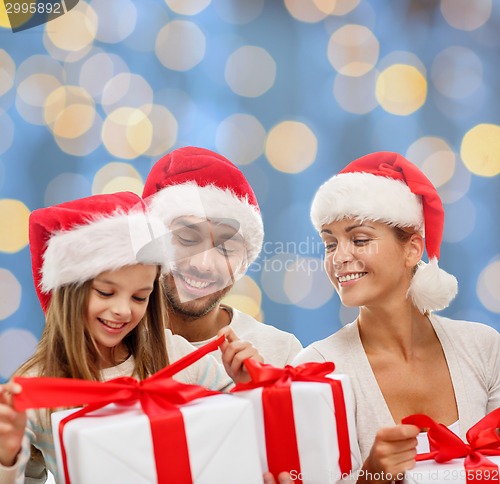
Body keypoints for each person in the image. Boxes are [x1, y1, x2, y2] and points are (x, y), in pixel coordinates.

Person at [0, 191, 260, 483]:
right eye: (105, 293)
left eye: (139, 297)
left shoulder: (176, 356)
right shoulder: (37, 389)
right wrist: (6, 457)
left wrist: (248, 387)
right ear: (69, 292)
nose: (123, 310)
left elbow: (242, 437)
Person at [292, 151, 500, 482]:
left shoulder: (483, 347)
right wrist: (371, 477)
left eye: (358, 239)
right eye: (330, 244)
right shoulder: (317, 370)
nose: (340, 257)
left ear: (413, 249)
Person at [142, 146, 303, 367]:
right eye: (187, 239)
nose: (203, 264)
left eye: (226, 248)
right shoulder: (106, 344)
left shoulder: (281, 354)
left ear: (244, 261)